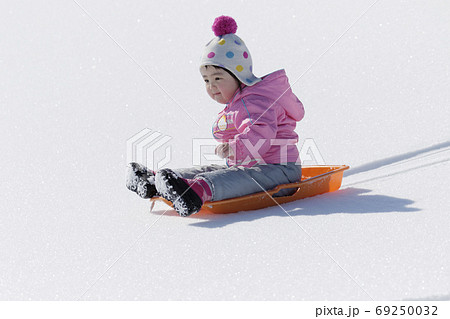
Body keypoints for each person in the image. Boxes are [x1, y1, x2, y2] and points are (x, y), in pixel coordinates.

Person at [126, 15, 305, 216]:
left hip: (279, 171)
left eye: (218, 78)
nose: (212, 86)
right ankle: (157, 181)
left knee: (235, 177)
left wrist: (235, 147)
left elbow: (261, 133)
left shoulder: (255, 102)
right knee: (211, 170)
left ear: (239, 76)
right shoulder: (239, 102)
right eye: (206, 80)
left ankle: (194, 192)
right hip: (254, 167)